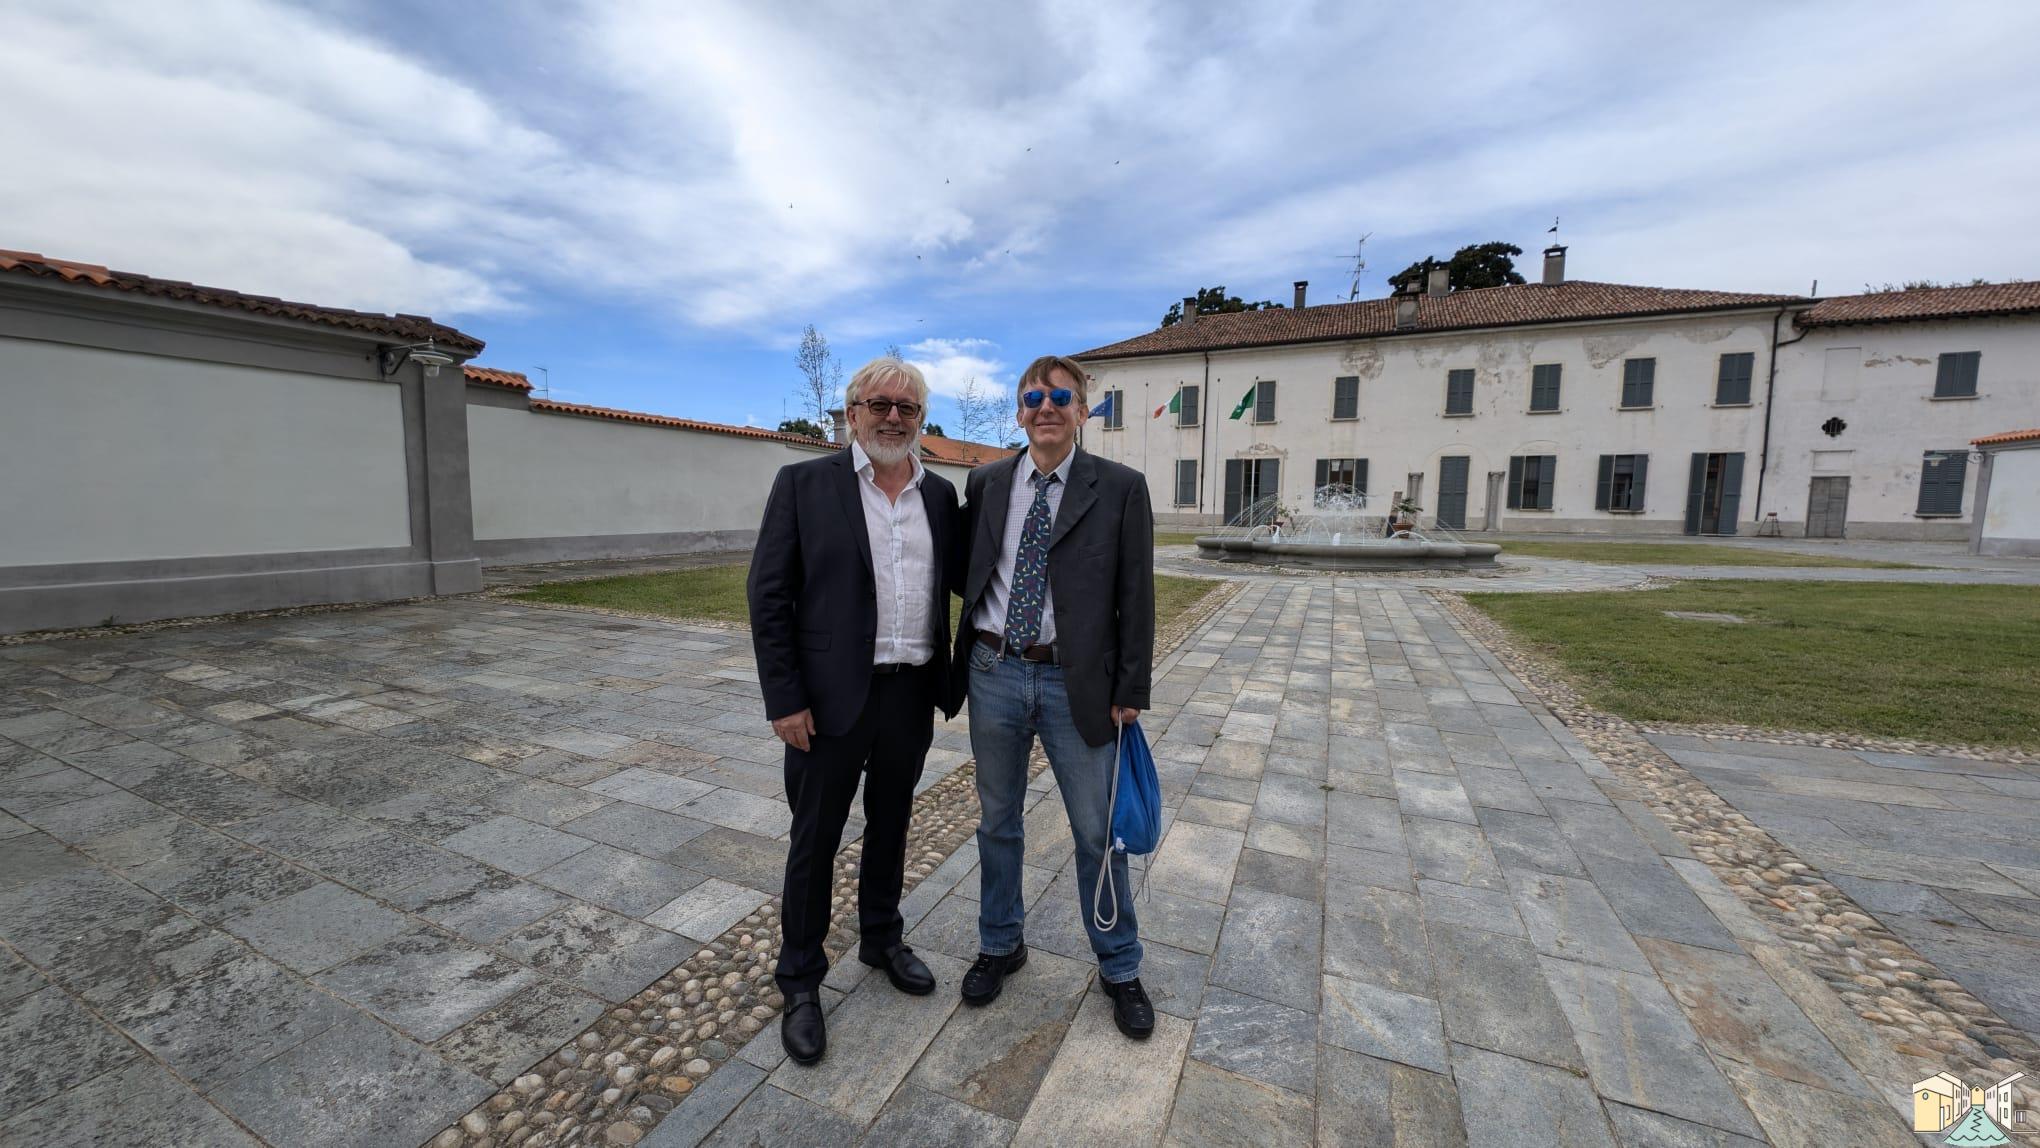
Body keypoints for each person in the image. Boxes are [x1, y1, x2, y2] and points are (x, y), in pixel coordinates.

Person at [747, 357, 963, 1065]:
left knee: (893, 824)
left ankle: (880, 936)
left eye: (908, 407)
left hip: (909, 691)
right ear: (851, 413)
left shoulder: (939, 498)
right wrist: (785, 699)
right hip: (828, 702)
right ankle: (802, 980)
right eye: (880, 404)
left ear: (921, 420)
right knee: (815, 841)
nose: (894, 416)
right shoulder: (804, 484)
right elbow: (768, 595)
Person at [952, 353, 1156, 1039]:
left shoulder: (1121, 488)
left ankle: (1120, 965)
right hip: (996, 672)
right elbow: (962, 571)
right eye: (1033, 395)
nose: (1046, 407)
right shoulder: (985, 483)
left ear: (1082, 411)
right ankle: (1000, 943)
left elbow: (1137, 594)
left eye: (1060, 397)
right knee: (996, 822)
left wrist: (1130, 687)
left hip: (1080, 684)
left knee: (1099, 833)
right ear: (1019, 410)